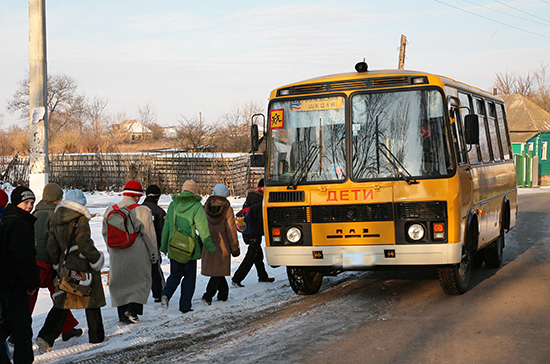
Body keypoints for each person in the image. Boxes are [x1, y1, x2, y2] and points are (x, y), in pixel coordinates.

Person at [36, 189, 106, 353]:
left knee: (63, 301)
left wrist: (58, 263)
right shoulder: (80, 219)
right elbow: (84, 243)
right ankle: (97, 336)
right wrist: (96, 259)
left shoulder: (55, 216)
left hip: (65, 266)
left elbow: (51, 245)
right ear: (81, 204)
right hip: (82, 265)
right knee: (92, 299)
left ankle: (46, 337)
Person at [30, 184, 82, 343]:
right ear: (58, 198)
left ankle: (67, 328)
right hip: (51, 264)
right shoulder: (56, 216)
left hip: (34, 261)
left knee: (31, 299)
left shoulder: (35, 213)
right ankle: (13, 333)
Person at [103, 180, 157, 324]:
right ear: (138, 196)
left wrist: (111, 249)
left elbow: (105, 233)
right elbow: (149, 235)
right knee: (140, 282)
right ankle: (132, 310)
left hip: (116, 253)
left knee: (120, 284)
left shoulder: (110, 210)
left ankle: (122, 315)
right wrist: (153, 255)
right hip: (137, 253)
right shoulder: (142, 211)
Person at [160, 180, 216, 313]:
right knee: (189, 278)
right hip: (189, 249)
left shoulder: (173, 205)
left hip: (174, 246)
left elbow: (167, 227)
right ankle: (185, 306)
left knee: (175, 274)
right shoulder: (197, 206)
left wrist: (164, 245)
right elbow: (203, 230)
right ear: (194, 191)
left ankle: (166, 294)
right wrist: (210, 247)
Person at [0, 186, 40, 364]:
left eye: (32, 203)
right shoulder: (20, 224)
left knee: (3, 328)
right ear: (17, 203)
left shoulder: (5, 219)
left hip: (3, 284)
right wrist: (31, 283)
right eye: (26, 203)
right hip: (16, 286)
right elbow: (23, 258)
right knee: (22, 331)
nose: (29, 206)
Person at [201, 184, 240, 305]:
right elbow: (231, 230)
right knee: (218, 271)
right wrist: (234, 247)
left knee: (218, 270)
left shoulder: (205, 207)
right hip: (222, 244)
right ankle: (208, 295)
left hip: (208, 242)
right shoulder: (227, 209)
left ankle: (223, 294)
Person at [232, 179, 275, 287]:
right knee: (251, 256)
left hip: (248, 232)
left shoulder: (251, 198)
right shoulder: (260, 201)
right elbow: (260, 222)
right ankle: (237, 279)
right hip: (254, 233)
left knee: (257, 254)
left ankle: (263, 276)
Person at [141, 184, 166, 302]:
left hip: (139, 245)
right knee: (155, 270)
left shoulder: (138, 209)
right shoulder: (159, 212)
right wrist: (162, 246)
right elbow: (162, 231)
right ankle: (159, 293)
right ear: (158, 197)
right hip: (153, 244)